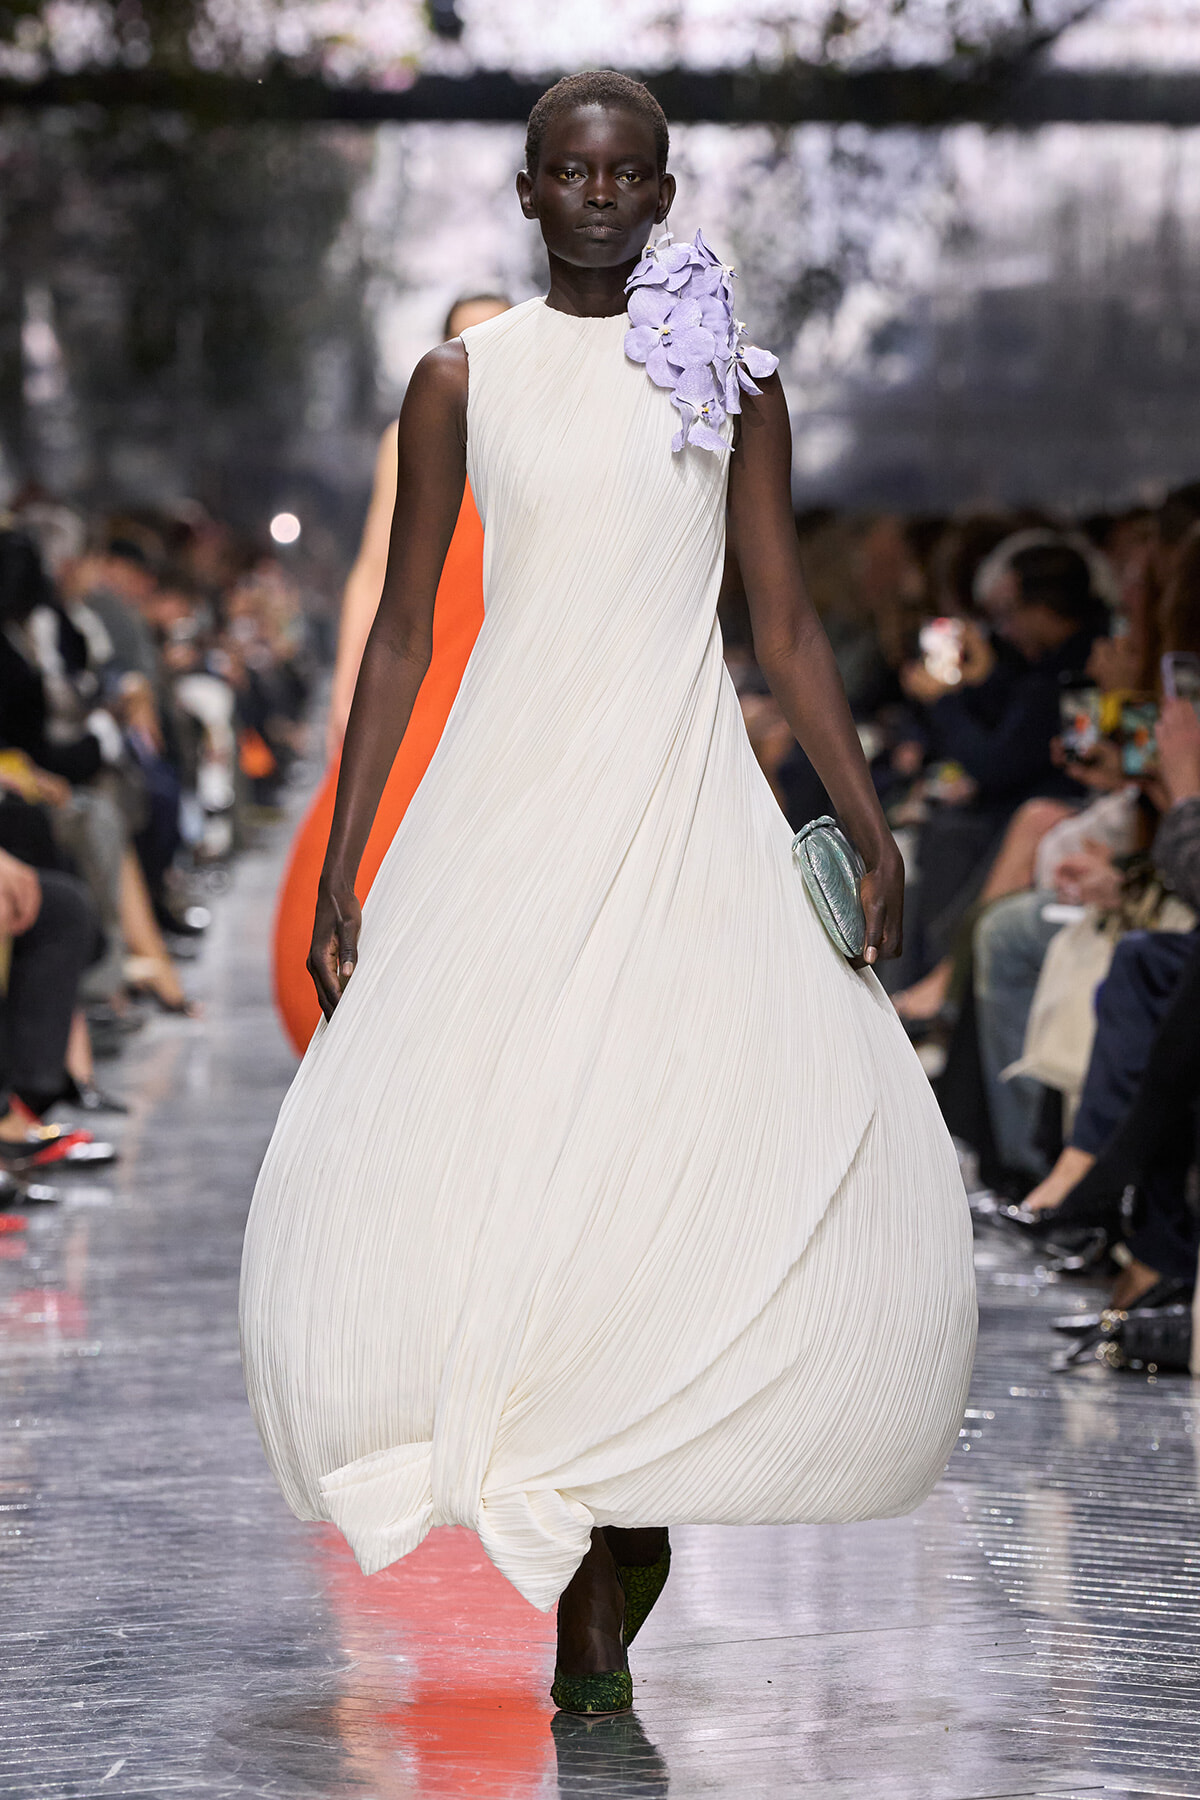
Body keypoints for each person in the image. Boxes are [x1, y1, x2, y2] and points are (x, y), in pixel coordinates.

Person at [240, 72, 976, 1719]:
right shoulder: (460, 380)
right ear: (526, 191)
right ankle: (574, 1515)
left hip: (680, 792)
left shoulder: (734, 383)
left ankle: (608, 1539)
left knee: (656, 1132)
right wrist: (354, 854)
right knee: (517, 1132)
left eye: (623, 170)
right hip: (504, 801)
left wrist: (866, 822)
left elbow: (781, 626)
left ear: (661, 190)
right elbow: (406, 634)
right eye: (567, 170)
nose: (594, 193)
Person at [271, 293, 509, 1055]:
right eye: (463, 340)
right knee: (376, 835)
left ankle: (472, 1026)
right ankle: (373, 1034)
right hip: (426, 654)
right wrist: (346, 684)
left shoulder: (542, 436)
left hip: (502, 658)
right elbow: (374, 563)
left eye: (495, 334)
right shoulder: (410, 434)